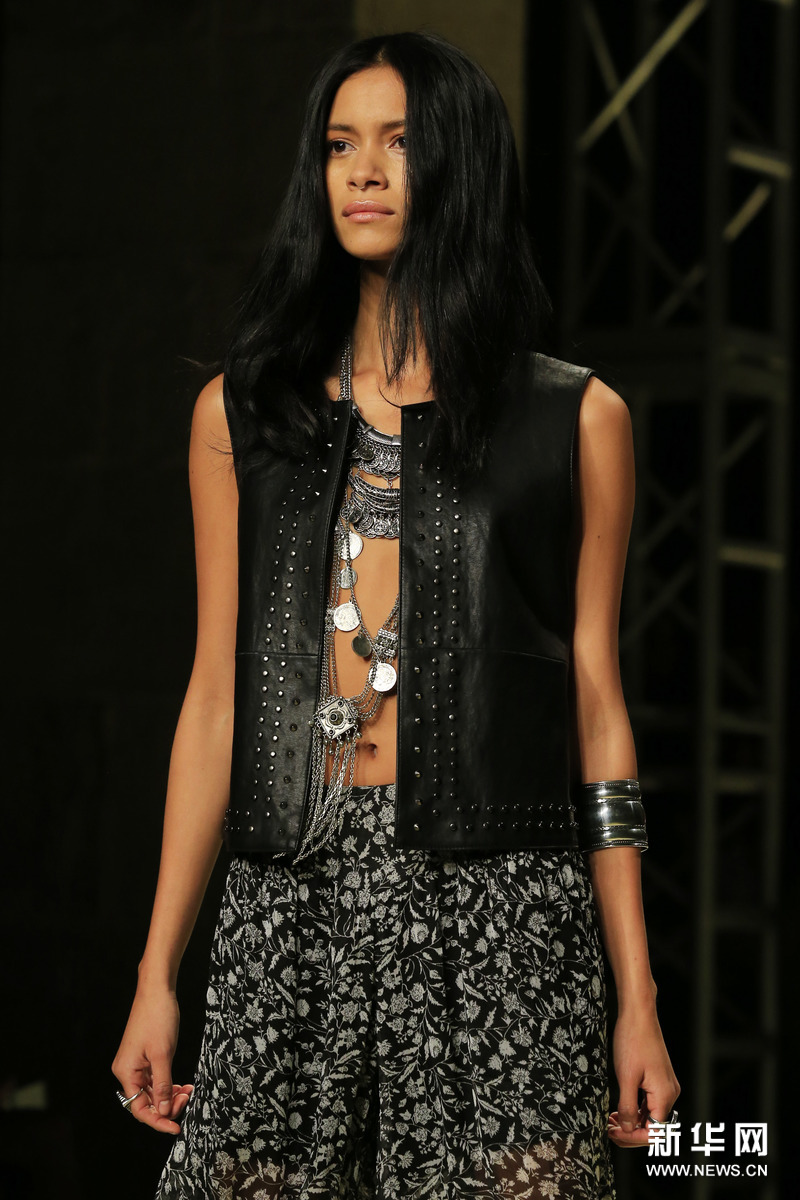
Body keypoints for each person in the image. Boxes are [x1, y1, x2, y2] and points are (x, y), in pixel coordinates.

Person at [112, 30, 680, 1200]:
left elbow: (594, 709)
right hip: (289, 899)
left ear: (458, 166)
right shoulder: (242, 416)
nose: (361, 172)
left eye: (398, 143)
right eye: (338, 145)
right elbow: (216, 698)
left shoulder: (573, 421)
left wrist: (637, 997)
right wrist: (157, 973)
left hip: (499, 911)